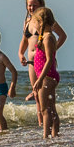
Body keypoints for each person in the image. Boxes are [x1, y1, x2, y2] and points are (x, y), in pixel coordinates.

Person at [17, 0, 67, 115]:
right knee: (36, 93)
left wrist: (52, 51)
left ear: (41, 5)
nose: (31, 8)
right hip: (31, 61)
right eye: (29, 5)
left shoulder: (46, 21)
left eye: (34, 5)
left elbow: (62, 36)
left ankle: (49, 120)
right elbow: (24, 40)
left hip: (43, 61)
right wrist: (20, 54)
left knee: (43, 93)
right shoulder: (27, 22)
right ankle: (41, 123)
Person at [31, 8, 61, 137]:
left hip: (47, 77)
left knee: (45, 109)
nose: (34, 26)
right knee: (51, 108)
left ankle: (46, 136)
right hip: (48, 77)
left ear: (41, 22)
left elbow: (49, 60)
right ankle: (54, 135)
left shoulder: (48, 37)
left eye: (35, 23)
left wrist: (40, 79)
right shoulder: (44, 37)